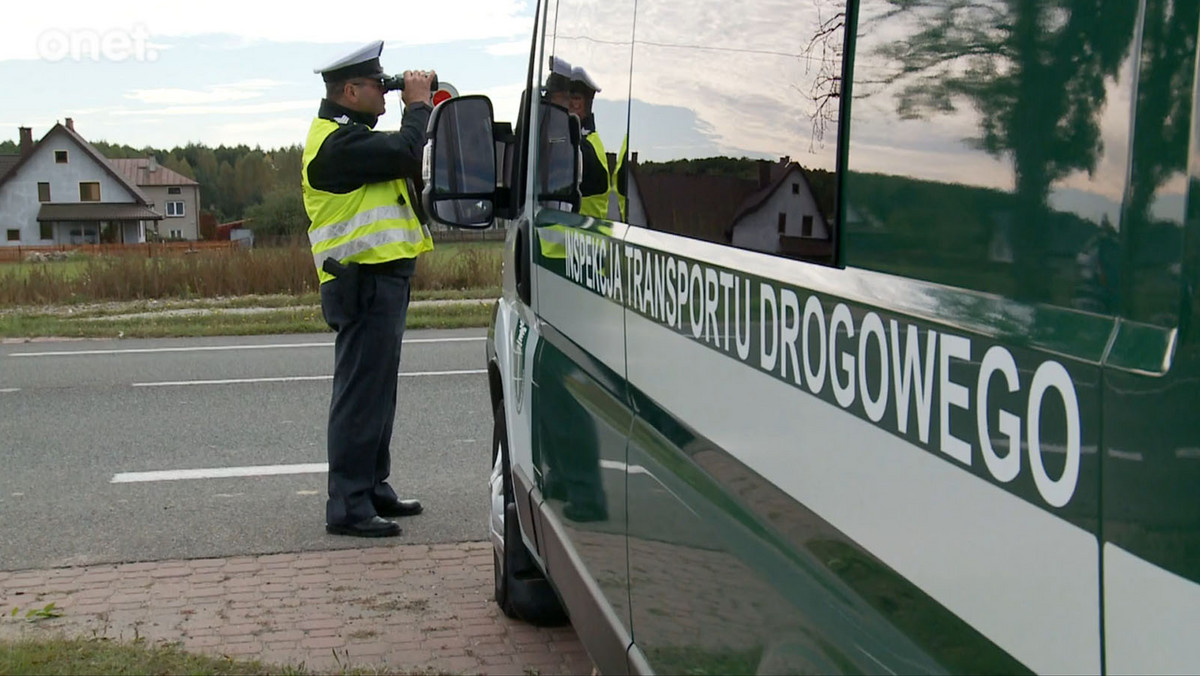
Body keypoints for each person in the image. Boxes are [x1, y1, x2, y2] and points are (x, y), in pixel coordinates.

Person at [301, 40, 436, 538]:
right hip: (361, 281)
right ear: (350, 91)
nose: (386, 92)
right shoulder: (337, 143)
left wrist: (418, 109)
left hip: (383, 277)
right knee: (360, 394)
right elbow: (405, 150)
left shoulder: (353, 137)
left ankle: (373, 485)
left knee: (379, 392)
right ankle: (349, 504)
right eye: (378, 85)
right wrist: (417, 105)